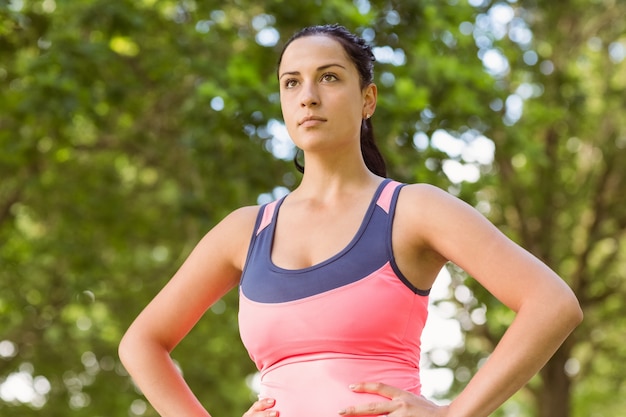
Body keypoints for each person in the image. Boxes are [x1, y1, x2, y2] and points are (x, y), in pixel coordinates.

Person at [118, 24, 582, 417]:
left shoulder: (412, 210)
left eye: (329, 78)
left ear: (367, 99)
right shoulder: (246, 230)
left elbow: (551, 303)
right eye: (291, 82)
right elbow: (141, 342)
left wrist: (454, 413)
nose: (308, 97)